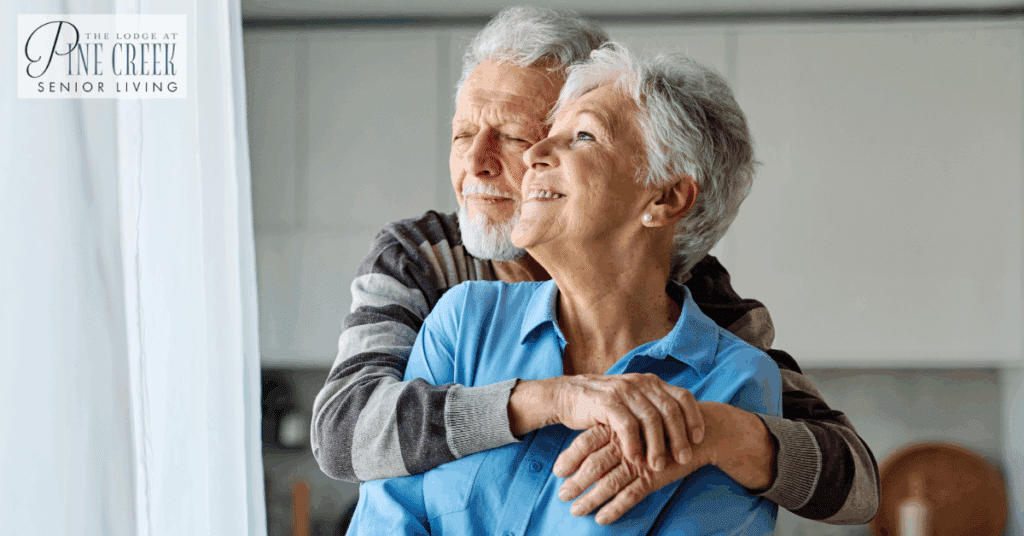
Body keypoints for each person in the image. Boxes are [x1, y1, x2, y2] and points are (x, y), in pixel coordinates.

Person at [311, 5, 878, 525]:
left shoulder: (702, 306)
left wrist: (712, 431)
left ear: (661, 197)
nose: (480, 164)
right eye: (462, 135)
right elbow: (346, 435)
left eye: (516, 134)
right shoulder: (437, 278)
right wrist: (552, 397)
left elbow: (854, 480)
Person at [348, 42, 780, 535]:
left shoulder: (733, 383)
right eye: (547, 135)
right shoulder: (464, 320)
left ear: (665, 197)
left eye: (581, 136)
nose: (532, 154)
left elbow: (846, 477)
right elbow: (384, 512)